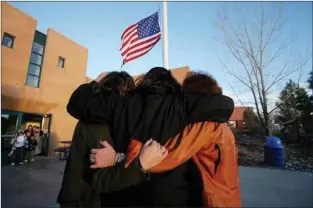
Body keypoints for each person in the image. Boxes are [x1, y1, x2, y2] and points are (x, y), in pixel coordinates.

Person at [67, 67, 234, 206]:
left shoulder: (120, 104)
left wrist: (96, 81)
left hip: (125, 196)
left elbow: (76, 103)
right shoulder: (183, 108)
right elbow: (225, 105)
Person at [57, 71, 168, 208]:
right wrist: (140, 166)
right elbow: (102, 178)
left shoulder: (101, 119)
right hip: (85, 200)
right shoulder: (98, 124)